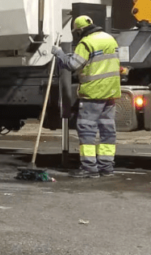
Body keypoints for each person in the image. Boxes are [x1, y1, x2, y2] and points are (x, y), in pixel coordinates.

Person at [52, 16, 122, 178]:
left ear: (80, 30)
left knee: (87, 130)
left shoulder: (86, 43)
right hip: (111, 92)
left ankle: (89, 168)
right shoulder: (109, 39)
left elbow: (72, 65)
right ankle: (106, 167)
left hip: (93, 93)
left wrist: (60, 54)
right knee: (107, 130)